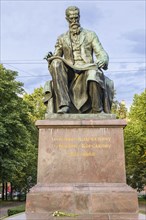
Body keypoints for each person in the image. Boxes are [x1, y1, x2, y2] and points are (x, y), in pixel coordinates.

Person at [44, 6, 114, 114]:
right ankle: (64, 104)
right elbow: (56, 55)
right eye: (71, 19)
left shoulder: (90, 34)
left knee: (93, 74)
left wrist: (103, 58)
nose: (74, 21)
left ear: (79, 17)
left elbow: (101, 52)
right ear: (67, 19)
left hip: (87, 68)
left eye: (76, 18)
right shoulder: (61, 38)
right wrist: (50, 57)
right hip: (70, 71)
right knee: (56, 63)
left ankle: (97, 110)